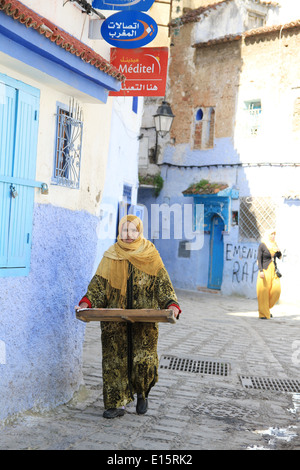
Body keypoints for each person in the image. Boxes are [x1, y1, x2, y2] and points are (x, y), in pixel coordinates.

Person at [75, 215, 181, 419]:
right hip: (114, 324)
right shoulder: (110, 255)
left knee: (144, 360)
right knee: (115, 362)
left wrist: (171, 304)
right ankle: (116, 404)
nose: (129, 235)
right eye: (125, 230)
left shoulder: (151, 254)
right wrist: (86, 303)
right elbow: (98, 286)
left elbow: (162, 284)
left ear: (140, 232)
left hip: (145, 322)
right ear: (119, 232)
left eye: (133, 230)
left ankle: (142, 393)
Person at [256, 229, 282, 319]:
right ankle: (263, 313)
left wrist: (278, 252)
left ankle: (266, 308)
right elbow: (259, 259)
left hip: (273, 271)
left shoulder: (274, 245)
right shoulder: (262, 245)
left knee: (276, 290)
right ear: (268, 235)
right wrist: (261, 271)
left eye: (274, 234)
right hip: (265, 271)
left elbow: (279, 256)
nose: (273, 236)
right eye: (271, 234)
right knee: (263, 292)